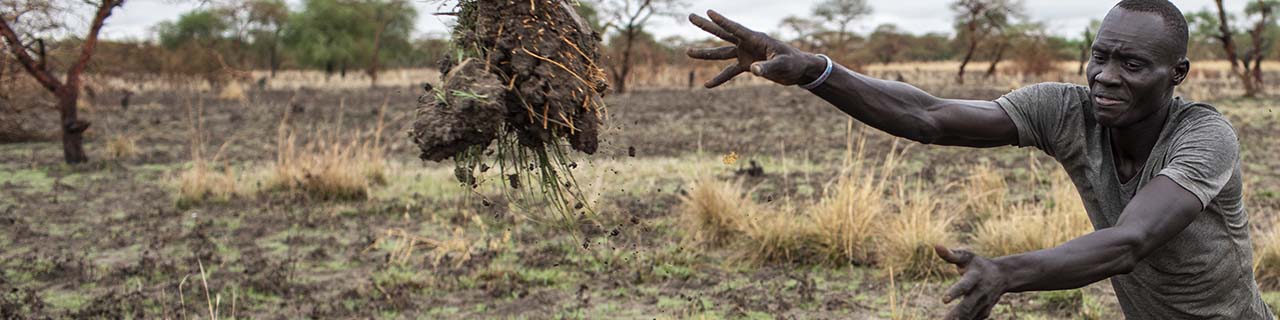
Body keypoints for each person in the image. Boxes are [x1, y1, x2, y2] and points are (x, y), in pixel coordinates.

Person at [685, 1, 1273, 319]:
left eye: (1133, 65)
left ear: (1177, 75)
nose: (1106, 77)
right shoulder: (1068, 110)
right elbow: (931, 116)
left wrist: (1005, 273)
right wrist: (820, 72)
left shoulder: (1203, 135)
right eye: (1099, 56)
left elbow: (1131, 241)